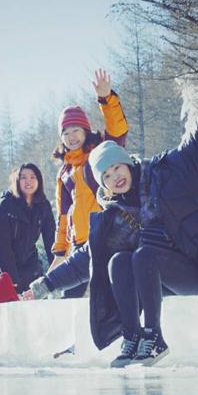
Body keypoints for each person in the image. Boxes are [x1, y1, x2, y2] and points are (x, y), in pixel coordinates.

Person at [25, 76, 198, 368]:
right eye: (107, 176)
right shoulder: (115, 214)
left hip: (194, 268)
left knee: (143, 256)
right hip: (158, 276)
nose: (115, 176)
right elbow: (86, 258)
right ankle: (132, 338)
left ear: (127, 163)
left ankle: (155, 337)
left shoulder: (167, 172)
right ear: (104, 186)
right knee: (117, 262)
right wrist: (46, 284)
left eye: (117, 167)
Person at [49, 69, 129, 298]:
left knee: (111, 296)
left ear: (85, 130)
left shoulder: (99, 153)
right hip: (79, 243)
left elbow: (118, 131)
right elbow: (63, 215)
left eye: (76, 130)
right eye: (66, 133)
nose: (71, 137)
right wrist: (60, 251)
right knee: (69, 300)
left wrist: (106, 99)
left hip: (107, 237)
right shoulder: (64, 171)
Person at [0, 163, 56, 294]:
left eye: (33, 177)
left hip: (28, 258)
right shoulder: (5, 205)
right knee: (8, 300)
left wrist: (57, 271)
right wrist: (11, 280)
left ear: (39, 180)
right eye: (23, 177)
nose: (28, 181)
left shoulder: (43, 205)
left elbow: (51, 240)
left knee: (34, 297)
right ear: (17, 181)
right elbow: (2, 246)